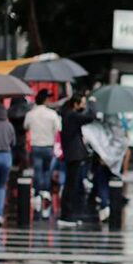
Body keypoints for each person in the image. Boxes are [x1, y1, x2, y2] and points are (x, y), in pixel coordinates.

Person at [58, 93, 97, 227]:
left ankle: (68, 214)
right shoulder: (72, 115)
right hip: (73, 154)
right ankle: (66, 215)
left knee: (72, 184)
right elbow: (90, 117)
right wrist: (93, 104)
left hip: (72, 154)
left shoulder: (67, 114)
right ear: (75, 104)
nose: (84, 106)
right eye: (82, 103)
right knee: (71, 185)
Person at [24, 90, 60, 214]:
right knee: (47, 170)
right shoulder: (52, 114)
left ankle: (38, 192)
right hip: (48, 145)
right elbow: (58, 128)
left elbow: (26, 126)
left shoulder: (31, 114)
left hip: (36, 145)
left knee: (37, 170)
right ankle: (46, 191)